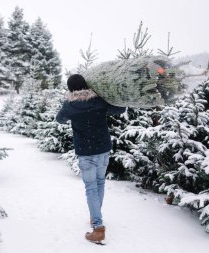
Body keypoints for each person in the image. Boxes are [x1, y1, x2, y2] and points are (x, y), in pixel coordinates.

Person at [56, 74, 126, 244]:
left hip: (86, 152)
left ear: (71, 89)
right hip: (103, 149)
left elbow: (60, 119)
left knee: (91, 187)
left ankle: (98, 226)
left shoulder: (70, 105)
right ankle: (96, 216)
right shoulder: (99, 101)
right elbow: (120, 109)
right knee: (100, 182)